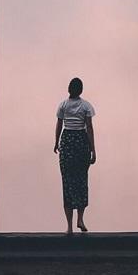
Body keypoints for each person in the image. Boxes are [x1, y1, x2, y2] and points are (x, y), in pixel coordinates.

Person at [54, 77, 96, 235]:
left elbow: (59, 125)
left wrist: (56, 142)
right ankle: (81, 219)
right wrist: (93, 150)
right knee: (81, 181)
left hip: (67, 142)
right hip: (80, 142)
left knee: (67, 182)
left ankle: (69, 226)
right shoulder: (86, 106)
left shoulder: (63, 105)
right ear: (81, 90)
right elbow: (89, 128)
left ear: (68, 89)